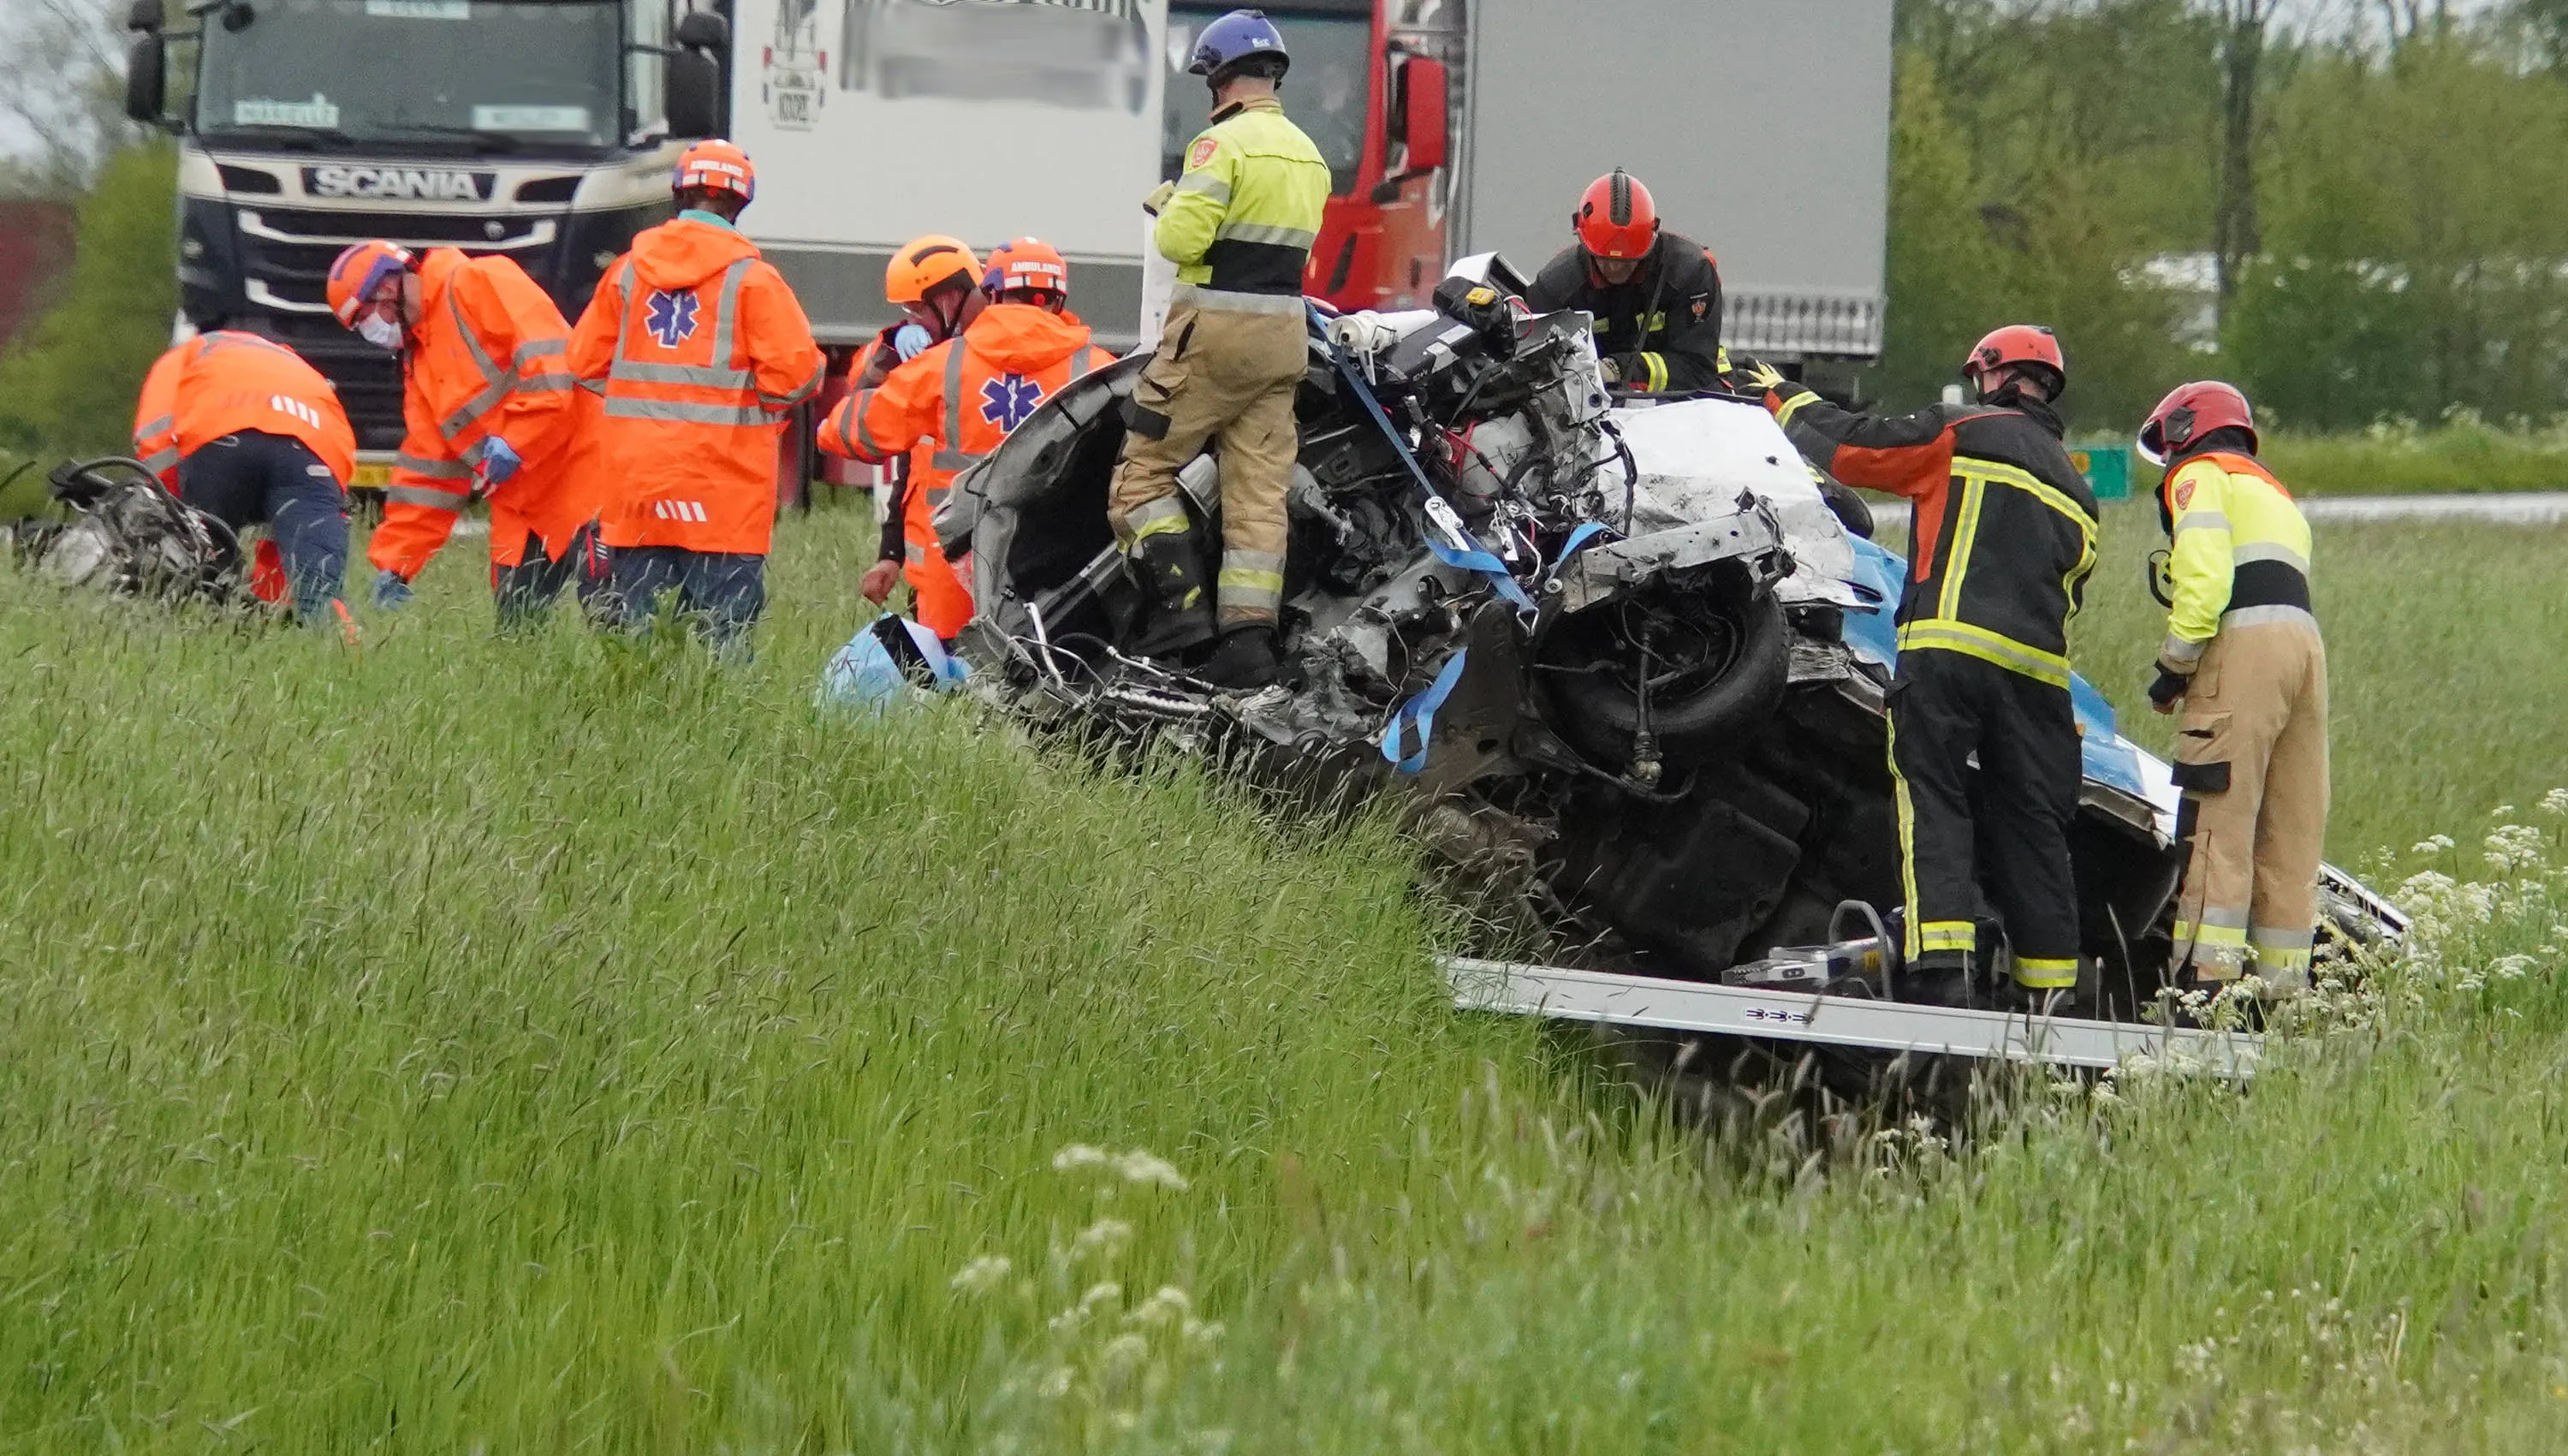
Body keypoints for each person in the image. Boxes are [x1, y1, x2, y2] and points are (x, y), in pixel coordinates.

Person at [1745, 327, 2099, 1007]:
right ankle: (2049, 1002)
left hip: (1949, 655)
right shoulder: (2078, 492)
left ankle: (1943, 968)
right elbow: (2070, 593)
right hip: (2040, 683)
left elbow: (1853, 448)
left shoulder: (1964, 431)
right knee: (2034, 830)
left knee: (1934, 794)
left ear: (1991, 376)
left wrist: (1779, 396)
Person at [1106, 7, 1329, 689]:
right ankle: (1247, 645)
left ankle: (1181, 610)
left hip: (1214, 336)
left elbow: (1179, 243)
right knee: (1258, 499)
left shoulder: (1219, 148)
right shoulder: (1308, 153)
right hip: (1283, 341)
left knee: (1139, 478)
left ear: (1223, 78)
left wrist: (1174, 204)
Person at [566, 139, 823, 652]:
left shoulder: (627, 273)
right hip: (724, 496)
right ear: (741, 203)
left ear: (679, 193)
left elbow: (583, 364)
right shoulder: (754, 280)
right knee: (724, 650)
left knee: (638, 652)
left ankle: (643, 730)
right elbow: (797, 377)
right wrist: (755, 410)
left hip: (637, 490)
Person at [2138, 381, 2327, 996]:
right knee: (2290, 831)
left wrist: (2174, 667)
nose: (2166, 464)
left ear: (2183, 429)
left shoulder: (2199, 473)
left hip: (2242, 642)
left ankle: (2204, 987)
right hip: (2304, 649)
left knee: (2217, 822)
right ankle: (2280, 993)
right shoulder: (2272, 490)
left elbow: (2205, 579)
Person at [820, 238, 1105, 641]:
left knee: (946, 688)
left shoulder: (943, 364)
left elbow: (851, 433)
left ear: (991, 294)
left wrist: (847, 405)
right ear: (1058, 299)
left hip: (951, 575)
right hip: (1054, 575)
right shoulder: (1096, 371)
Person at [324, 239, 599, 627]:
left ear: (386, 290)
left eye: (363, 319)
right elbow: (430, 472)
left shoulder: (479, 282)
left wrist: (515, 441)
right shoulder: (421, 362)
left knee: (615, 625)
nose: (369, 332)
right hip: (522, 509)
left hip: (588, 479)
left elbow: (553, 366)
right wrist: (397, 562)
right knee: (516, 640)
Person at [131, 329, 357, 629]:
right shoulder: (300, 368)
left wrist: (171, 508)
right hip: (311, 454)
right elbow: (339, 459)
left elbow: (155, 438)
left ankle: (208, 642)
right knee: (322, 600)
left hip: (221, 444)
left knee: (203, 587)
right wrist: (271, 607)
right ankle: (339, 656)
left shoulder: (184, 356)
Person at [826, 235, 985, 634]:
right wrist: (890, 555)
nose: (913, 320)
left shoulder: (975, 363)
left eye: (917, 309)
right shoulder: (923, 359)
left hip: (978, 559)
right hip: (934, 566)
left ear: (949, 299)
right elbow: (907, 461)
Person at [1524, 169, 1726, 395]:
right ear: (1584, 242)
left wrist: (1617, 370)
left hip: (1682, 404)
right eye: (1604, 259)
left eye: (1629, 261)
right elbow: (1531, 365)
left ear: (1652, 240)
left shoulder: (1689, 273)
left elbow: (1696, 368)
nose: (1615, 267)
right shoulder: (1556, 289)